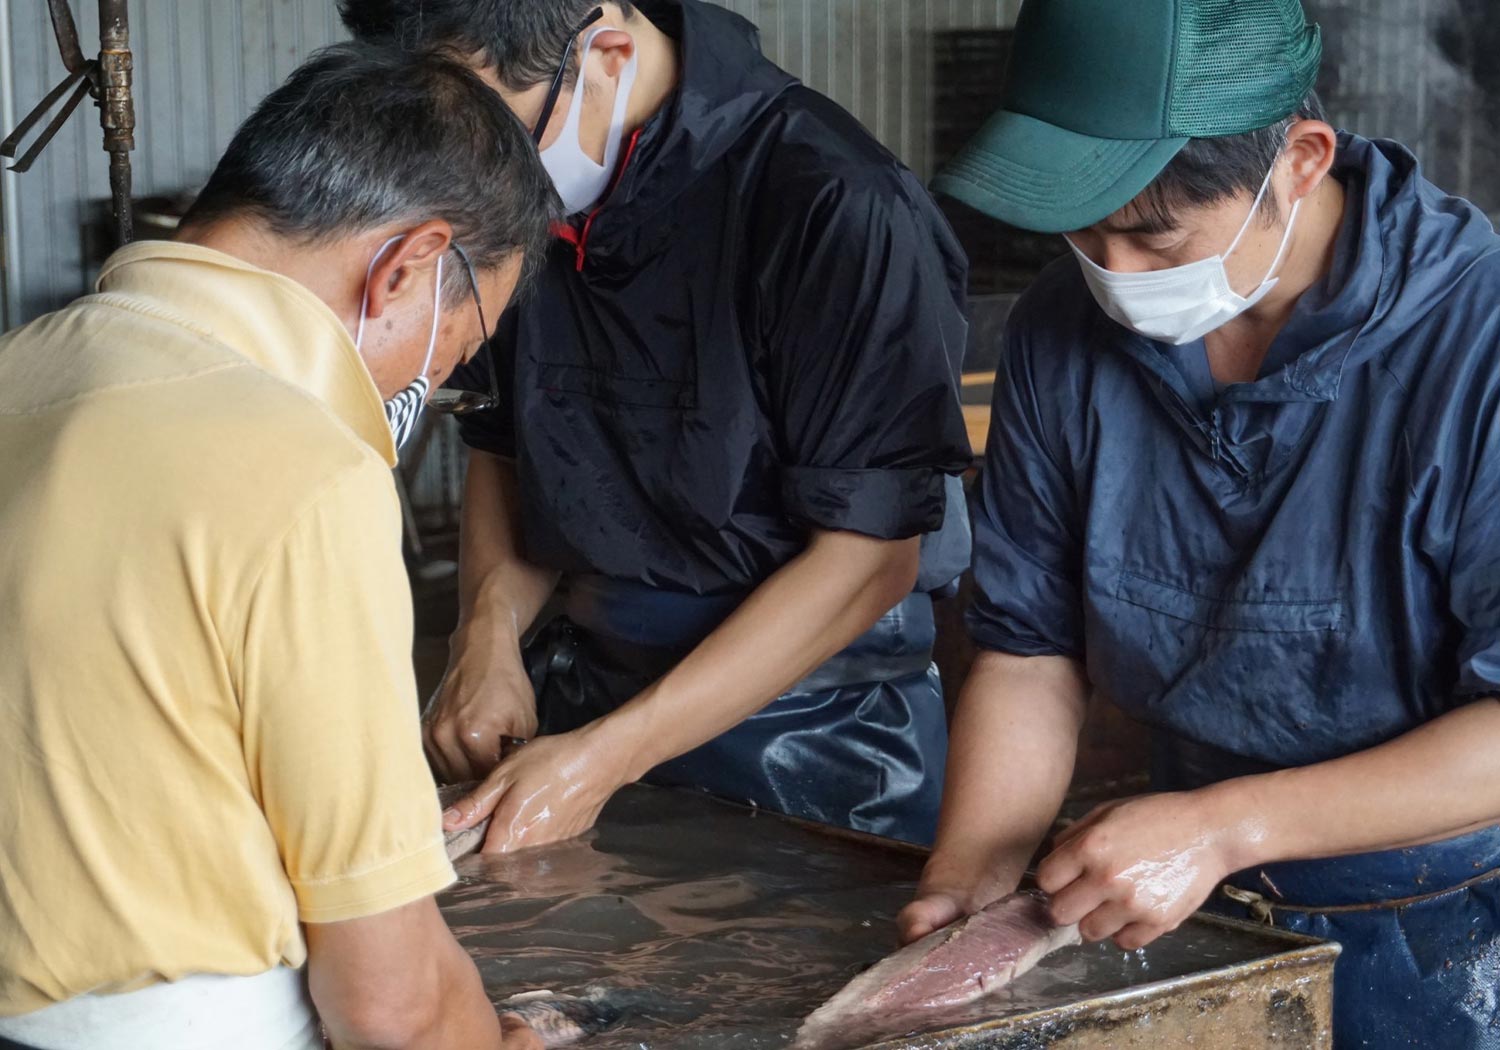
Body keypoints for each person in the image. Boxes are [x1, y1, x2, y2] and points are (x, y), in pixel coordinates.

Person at [900, 0, 1500, 1046]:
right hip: (1177, 892)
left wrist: (1226, 826)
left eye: (1152, 234)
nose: (1114, 276)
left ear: (1301, 161)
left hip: (1448, 919)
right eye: (1084, 232)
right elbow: (1032, 649)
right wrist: (974, 877)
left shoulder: (1475, 344)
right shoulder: (1060, 328)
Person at [0, 44, 555, 1050]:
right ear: (409, 267)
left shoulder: (17, 371)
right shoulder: (304, 472)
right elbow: (391, 1006)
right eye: (455, 348)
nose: (426, 382)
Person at [339, 0, 973, 848]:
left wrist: (607, 758)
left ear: (604, 53)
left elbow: (868, 559)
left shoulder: (836, 201)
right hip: (584, 684)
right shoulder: (522, 202)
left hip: (813, 728)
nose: (472, 183)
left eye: (494, 138)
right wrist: (484, 635)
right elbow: (506, 445)